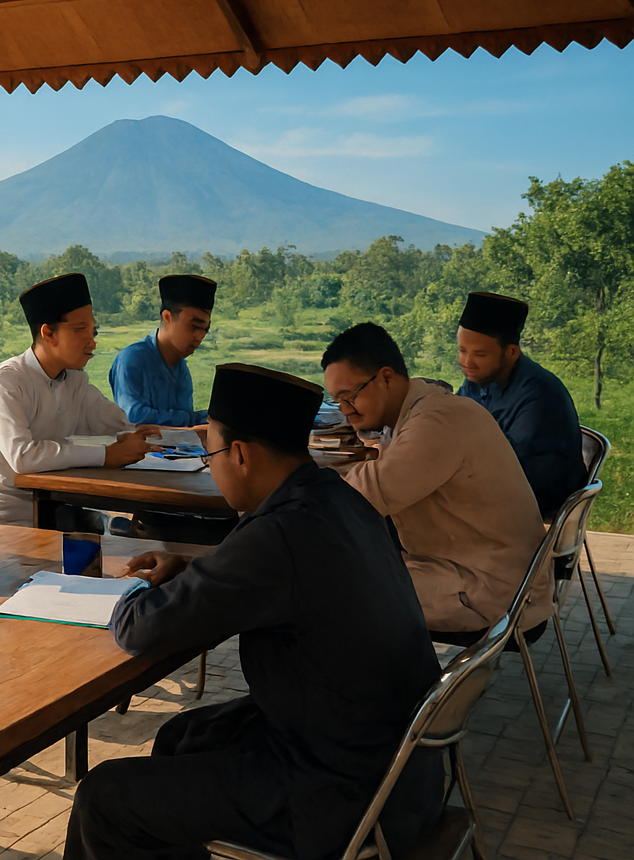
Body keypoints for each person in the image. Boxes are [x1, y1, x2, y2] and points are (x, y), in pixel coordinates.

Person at [66, 363, 443, 860]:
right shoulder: (336, 498)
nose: (212, 465)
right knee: (185, 735)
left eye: (210, 453)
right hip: (398, 764)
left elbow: (143, 629)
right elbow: (264, 577)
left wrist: (130, 589)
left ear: (240, 454)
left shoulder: (277, 536)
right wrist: (189, 569)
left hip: (339, 792)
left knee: (104, 797)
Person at [322, 322, 549, 635]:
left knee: (320, 592)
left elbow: (366, 493)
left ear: (386, 377)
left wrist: (290, 480)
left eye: (350, 396)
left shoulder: (438, 421)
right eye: (337, 400)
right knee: (340, 567)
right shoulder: (427, 408)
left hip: (491, 592)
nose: (345, 410)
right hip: (482, 573)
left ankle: (395, 683)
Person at [0, 272, 157, 527]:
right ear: (48, 333)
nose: (93, 342)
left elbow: (113, 423)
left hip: (47, 502)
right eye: (81, 330)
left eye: (93, 330)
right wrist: (105, 455)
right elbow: (24, 457)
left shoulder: (75, 380)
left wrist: (133, 435)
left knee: (119, 532)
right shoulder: (4, 384)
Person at [456, 291, 586, 517]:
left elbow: (511, 473)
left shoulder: (539, 396)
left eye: (480, 354)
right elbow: (454, 424)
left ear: (512, 352)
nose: (467, 363)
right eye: (461, 350)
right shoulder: (478, 380)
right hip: (491, 491)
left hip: (527, 510)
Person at [109, 274, 215, 426]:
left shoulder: (181, 369)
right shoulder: (132, 359)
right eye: (194, 327)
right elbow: (134, 416)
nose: (200, 336)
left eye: (205, 329)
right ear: (167, 317)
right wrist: (190, 419)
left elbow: (185, 422)